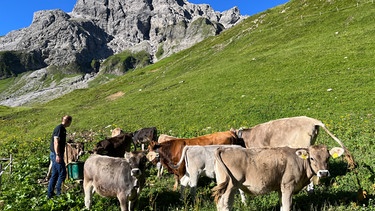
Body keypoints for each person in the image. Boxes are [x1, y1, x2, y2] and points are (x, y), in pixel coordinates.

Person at [47, 115, 72, 199]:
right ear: (68, 121)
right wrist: (57, 155)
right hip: (56, 154)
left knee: (55, 174)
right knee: (62, 173)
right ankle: (59, 192)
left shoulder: (62, 129)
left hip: (56, 154)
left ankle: (50, 194)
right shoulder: (59, 129)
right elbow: (56, 142)